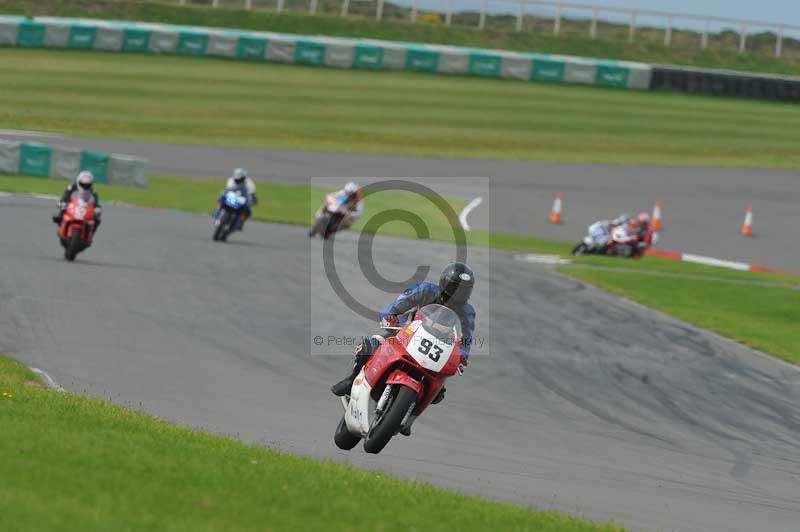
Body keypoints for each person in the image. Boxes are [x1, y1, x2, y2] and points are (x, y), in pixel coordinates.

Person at [331, 262, 476, 435]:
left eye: (465, 290)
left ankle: (409, 416)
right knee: (372, 344)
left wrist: (463, 357)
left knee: (439, 390)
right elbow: (398, 305)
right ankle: (351, 380)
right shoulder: (425, 290)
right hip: (405, 336)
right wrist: (390, 317)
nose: (460, 293)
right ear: (445, 283)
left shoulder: (467, 311)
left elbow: (467, 338)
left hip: (436, 351)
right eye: (457, 288)